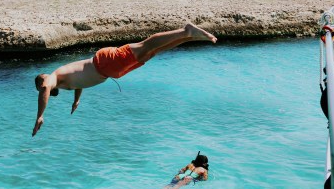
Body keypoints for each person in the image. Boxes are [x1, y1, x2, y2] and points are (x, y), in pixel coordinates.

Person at [32, 23, 217, 136]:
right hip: (109, 70)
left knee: (145, 46)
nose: (44, 89)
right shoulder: (63, 82)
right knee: (151, 52)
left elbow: (45, 89)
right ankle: (187, 37)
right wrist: (77, 100)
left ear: (42, 82)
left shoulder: (52, 78)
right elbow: (79, 82)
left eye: (41, 87)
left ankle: (185, 30)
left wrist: (40, 115)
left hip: (105, 63)